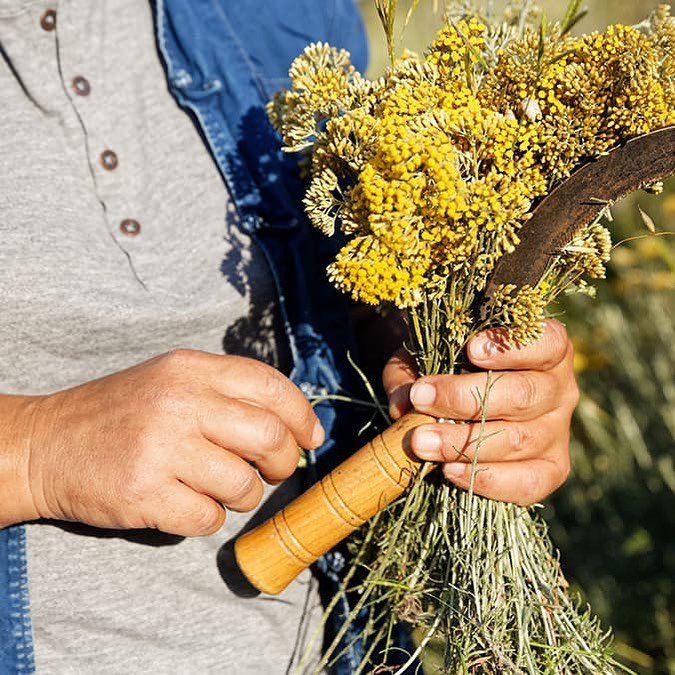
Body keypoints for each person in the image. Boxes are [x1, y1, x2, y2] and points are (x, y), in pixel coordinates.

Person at [0, 1, 579, 672]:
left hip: (340, 646)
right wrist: (34, 449)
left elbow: (344, 300)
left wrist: (457, 374)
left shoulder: (285, 13)